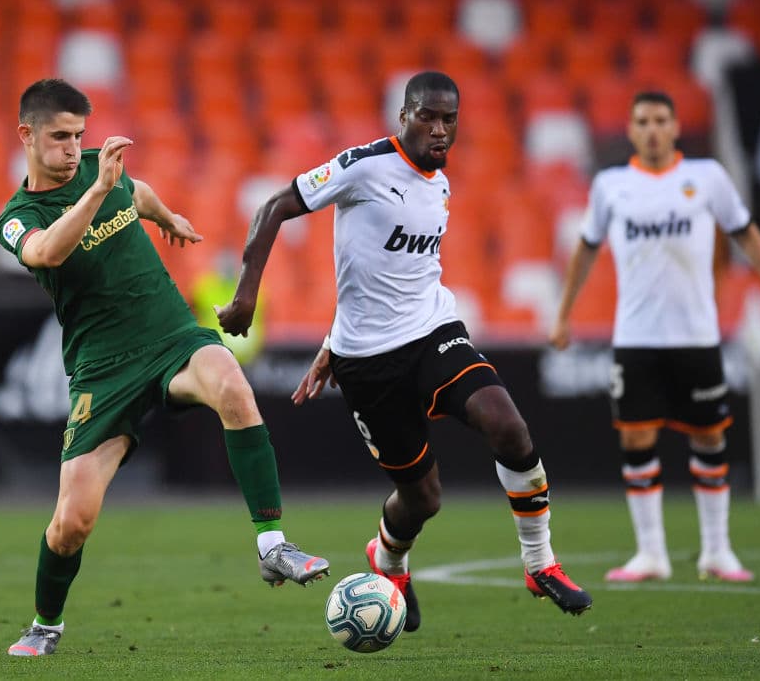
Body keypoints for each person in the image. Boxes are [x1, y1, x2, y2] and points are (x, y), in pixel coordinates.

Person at [217, 71, 592, 631]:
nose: (439, 130)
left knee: (509, 427)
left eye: (449, 120)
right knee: (422, 498)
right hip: (368, 362)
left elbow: (392, 273)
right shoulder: (364, 166)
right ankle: (388, 560)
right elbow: (275, 206)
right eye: (428, 117)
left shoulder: (440, 182)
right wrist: (248, 295)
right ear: (405, 116)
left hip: (433, 330)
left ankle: (540, 563)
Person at [0, 79, 329, 657]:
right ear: (26, 134)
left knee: (230, 383)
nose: (74, 148)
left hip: (171, 335)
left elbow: (138, 192)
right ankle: (46, 625)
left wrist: (167, 217)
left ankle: (272, 545)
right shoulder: (18, 216)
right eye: (59, 137)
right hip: (101, 370)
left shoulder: (106, 170)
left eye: (79, 135)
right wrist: (98, 191)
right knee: (71, 523)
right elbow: (47, 251)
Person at [549, 91, 760, 583]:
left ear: (676, 125)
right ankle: (651, 553)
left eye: (661, 119)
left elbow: (746, 234)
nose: (652, 129)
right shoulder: (612, 185)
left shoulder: (706, 178)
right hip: (636, 336)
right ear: (631, 128)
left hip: (696, 334)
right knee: (637, 436)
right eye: (642, 120)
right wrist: (563, 315)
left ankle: (717, 550)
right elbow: (585, 249)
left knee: (710, 435)